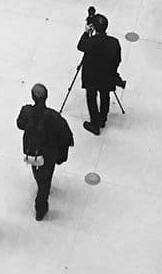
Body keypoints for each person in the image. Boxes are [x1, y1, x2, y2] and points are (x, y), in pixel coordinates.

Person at [16, 83, 74, 219]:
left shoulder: (26, 111)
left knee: (38, 173)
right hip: (48, 154)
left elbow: (20, 124)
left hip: (31, 149)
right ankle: (40, 208)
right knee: (45, 181)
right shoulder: (54, 117)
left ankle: (39, 180)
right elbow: (66, 136)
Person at [75, 12, 123, 134]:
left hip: (91, 77)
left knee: (91, 98)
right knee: (105, 95)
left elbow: (80, 46)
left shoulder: (90, 42)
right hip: (107, 76)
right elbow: (118, 60)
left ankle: (94, 124)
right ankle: (102, 119)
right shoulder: (114, 42)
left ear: (94, 28)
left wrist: (86, 32)